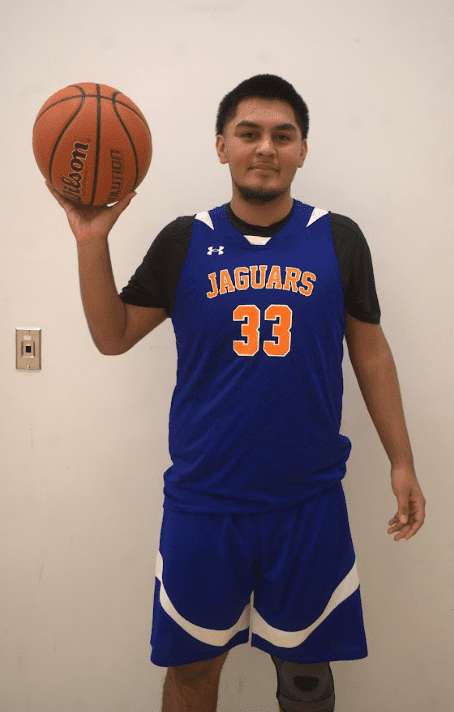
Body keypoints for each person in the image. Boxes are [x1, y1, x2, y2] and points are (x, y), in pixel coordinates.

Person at [46, 74, 426, 712]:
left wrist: (402, 460)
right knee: (193, 675)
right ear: (221, 146)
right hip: (204, 503)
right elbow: (111, 337)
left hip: (306, 501)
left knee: (306, 679)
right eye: (248, 133)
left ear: (303, 149)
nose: (266, 148)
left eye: (284, 135)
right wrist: (91, 242)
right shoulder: (183, 239)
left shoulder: (337, 237)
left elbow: (370, 349)